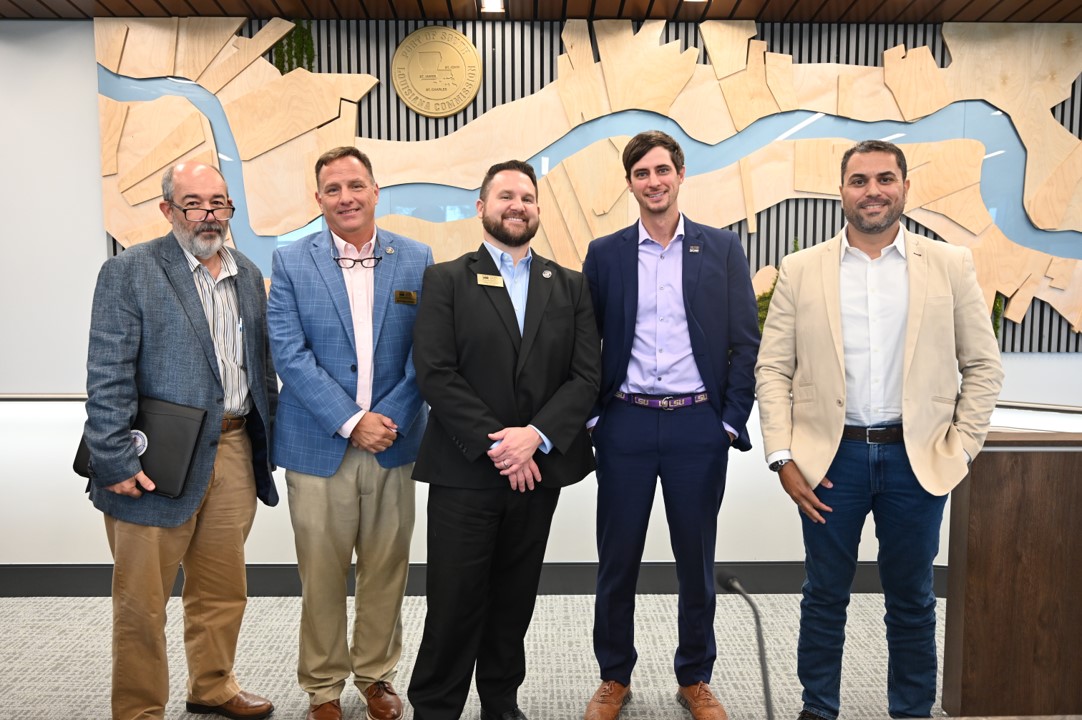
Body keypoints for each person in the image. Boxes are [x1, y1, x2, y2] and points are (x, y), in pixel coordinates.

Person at [755, 139, 1004, 720]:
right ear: (841, 190)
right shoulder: (801, 268)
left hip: (915, 461)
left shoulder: (949, 265)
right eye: (860, 180)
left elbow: (984, 366)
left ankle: (912, 710)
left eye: (884, 179)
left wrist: (962, 447)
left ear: (905, 188)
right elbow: (773, 368)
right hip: (829, 460)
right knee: (823, 596)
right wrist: (781, 456)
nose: (873, 191)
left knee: (913, 599)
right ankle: (818, 707)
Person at [82, 162, 278, 720]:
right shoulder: (130, 271)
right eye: (194, 203)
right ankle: (140, 709)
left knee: (223, 589)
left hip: (235, 449)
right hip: (154, 461)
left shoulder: (246, 271)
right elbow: (107, 372)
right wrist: (113, 456)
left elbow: (259, 368)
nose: (209, 214)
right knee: (142, 602)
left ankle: (213, 685)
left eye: (219, 202)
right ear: (168, 210)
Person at [407, 160, 602, 720]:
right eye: (505, 196)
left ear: (537, 209)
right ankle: (436, 708)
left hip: (537, 472)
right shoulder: (445, 279)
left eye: (527, 197)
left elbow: (586, 375)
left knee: (514, 598)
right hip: (465, 469)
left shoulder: (568, 285)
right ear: (482, 207)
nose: (517, 205)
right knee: (452, 602)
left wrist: (534, 437)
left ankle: (500, 702)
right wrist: (502, 444)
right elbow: (436, 372)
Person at [581, 130, 760, 720]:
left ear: (680, 174)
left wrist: (729, 422)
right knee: (618, 559)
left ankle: (695, 677)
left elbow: (744, 341)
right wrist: (595, 418)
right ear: (629, 183)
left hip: (696, 428)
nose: (653, 182)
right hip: (626, 425)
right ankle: (614, 676)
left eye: (662, 170)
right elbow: (586, 342)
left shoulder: (721, 248)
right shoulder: (606, 254)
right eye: (641, 173)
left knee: (696, 560)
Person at [267, 146, 433, 720]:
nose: (346, 198)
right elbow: (289, 354)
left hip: (394, 441)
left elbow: (427, 354)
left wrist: (386, 419)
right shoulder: (290, 262)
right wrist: (350, 421)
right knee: (322, 572)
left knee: (388, 568)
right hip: (319, 445)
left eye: (356, 186)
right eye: (333, 189)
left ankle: (377, 675)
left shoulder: (416, 258)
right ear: (319, 200)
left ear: (375, 191)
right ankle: (322, 686)